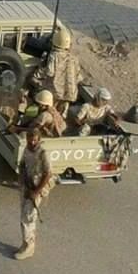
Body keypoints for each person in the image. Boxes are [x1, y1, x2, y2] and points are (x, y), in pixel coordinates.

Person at [16, 128, 53, 260]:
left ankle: (29, 247)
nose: (32, 142)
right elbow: (21, 166)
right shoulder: (26, 149)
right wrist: (22, 183)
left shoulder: (43, 153)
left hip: (37, 189)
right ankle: (25, 243)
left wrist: (36, 192)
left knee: (29, 217)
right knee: (24, 215)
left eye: (34, 139)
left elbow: (48, 174)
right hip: (27, 187)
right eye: (30, 139)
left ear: (39, 139)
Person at [31, 25, 82, 116]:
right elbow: (78, 77)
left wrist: (40, 68)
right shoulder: (74, 58)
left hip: (55, 92)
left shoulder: (54, 56)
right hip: (70, 94)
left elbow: (49, 72)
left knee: (50, 112)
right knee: (62, 114)